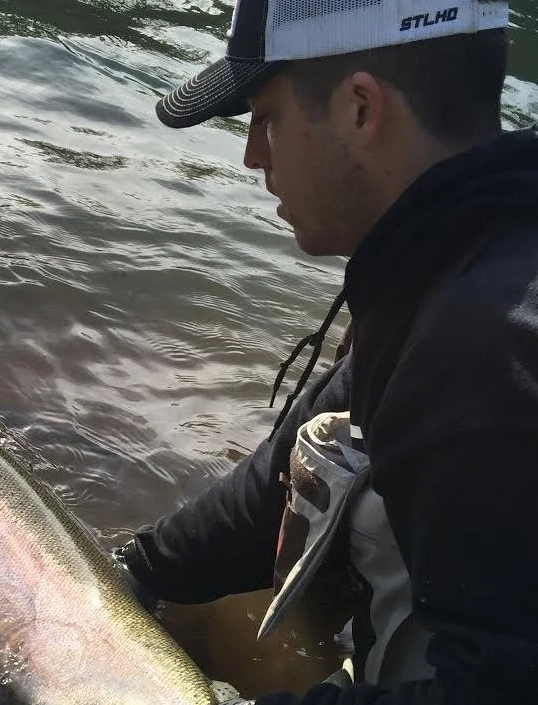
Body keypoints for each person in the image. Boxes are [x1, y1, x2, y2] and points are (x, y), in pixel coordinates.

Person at [112, 1, 538, 703]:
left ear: (361, 109)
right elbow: (276, 480)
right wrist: (132, 575)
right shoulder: (453, 261)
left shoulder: (489, 351)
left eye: (267, 117)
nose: (252, 156)